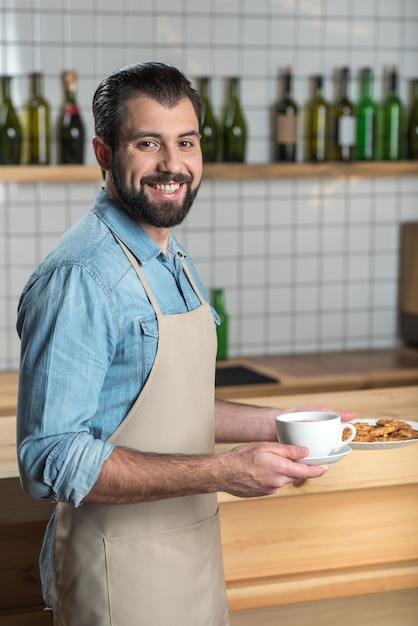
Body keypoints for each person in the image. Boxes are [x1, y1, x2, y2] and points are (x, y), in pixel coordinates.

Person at [16, 62, 355, 626]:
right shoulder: (81, 276)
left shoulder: (171, 256)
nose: (172, 166)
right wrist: (223, 472)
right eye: (148, 143)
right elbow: (51, 459)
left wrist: (281, 425)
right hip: (117, 577)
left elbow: (164, 407)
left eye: (186, 142)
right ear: (103, 153)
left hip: (192, 559)